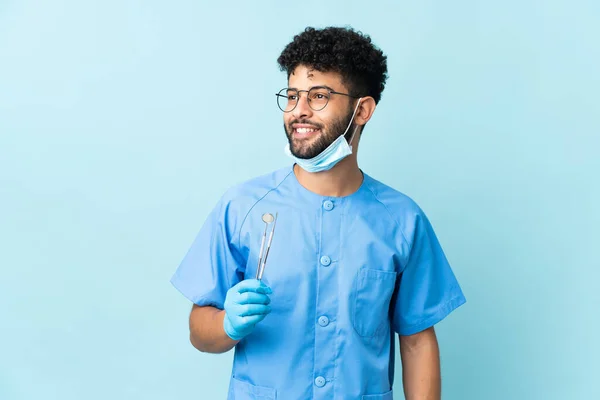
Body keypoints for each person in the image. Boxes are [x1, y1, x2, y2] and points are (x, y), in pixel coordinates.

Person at [171, 26, 466, 400]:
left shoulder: (401, 221)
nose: (299, 111)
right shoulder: (243, 207)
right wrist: (227, 324)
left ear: (363, 110)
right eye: (292, 96)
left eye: (319, 96)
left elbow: (417, 341)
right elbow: (200, 333)